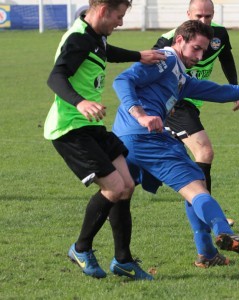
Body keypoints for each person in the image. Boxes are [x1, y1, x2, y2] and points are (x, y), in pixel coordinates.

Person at [112, 20, 239, 270]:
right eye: (195, 48)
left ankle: (87, 249)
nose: (199, 56)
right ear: (179, 40)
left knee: (114, 195)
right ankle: (224, 232)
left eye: (203, 51)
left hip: (122, 139)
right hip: (147, 137)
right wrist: (140, 114)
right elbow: (122, 80)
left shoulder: (181, 77)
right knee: (197, 187)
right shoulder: (167, 59)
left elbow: (221, 92)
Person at [44, 0, 165, 280]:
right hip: (70, 128)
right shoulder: (77, 38)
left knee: (126, 186)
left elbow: (105, 52)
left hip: (91, 127)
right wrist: (80, 102)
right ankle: (80, 248)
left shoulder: (95, 35)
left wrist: (138, 55)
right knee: (113, 188)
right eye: (119, 16)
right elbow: (56, 76)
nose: (120, 23)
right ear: (101, 10)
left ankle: (123, 260)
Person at [152, 0, 238, 268]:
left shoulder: (219, 34)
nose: (204, 20)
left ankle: (205, 224)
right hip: (174, 104)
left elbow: (226, 56)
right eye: (199, 15)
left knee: (131, 178)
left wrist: (234, 88)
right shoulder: (168, 40)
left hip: (192, 103)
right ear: (187, 15)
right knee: (204, 151)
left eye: (209, 15)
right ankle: (209, 215)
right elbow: (150, 69)